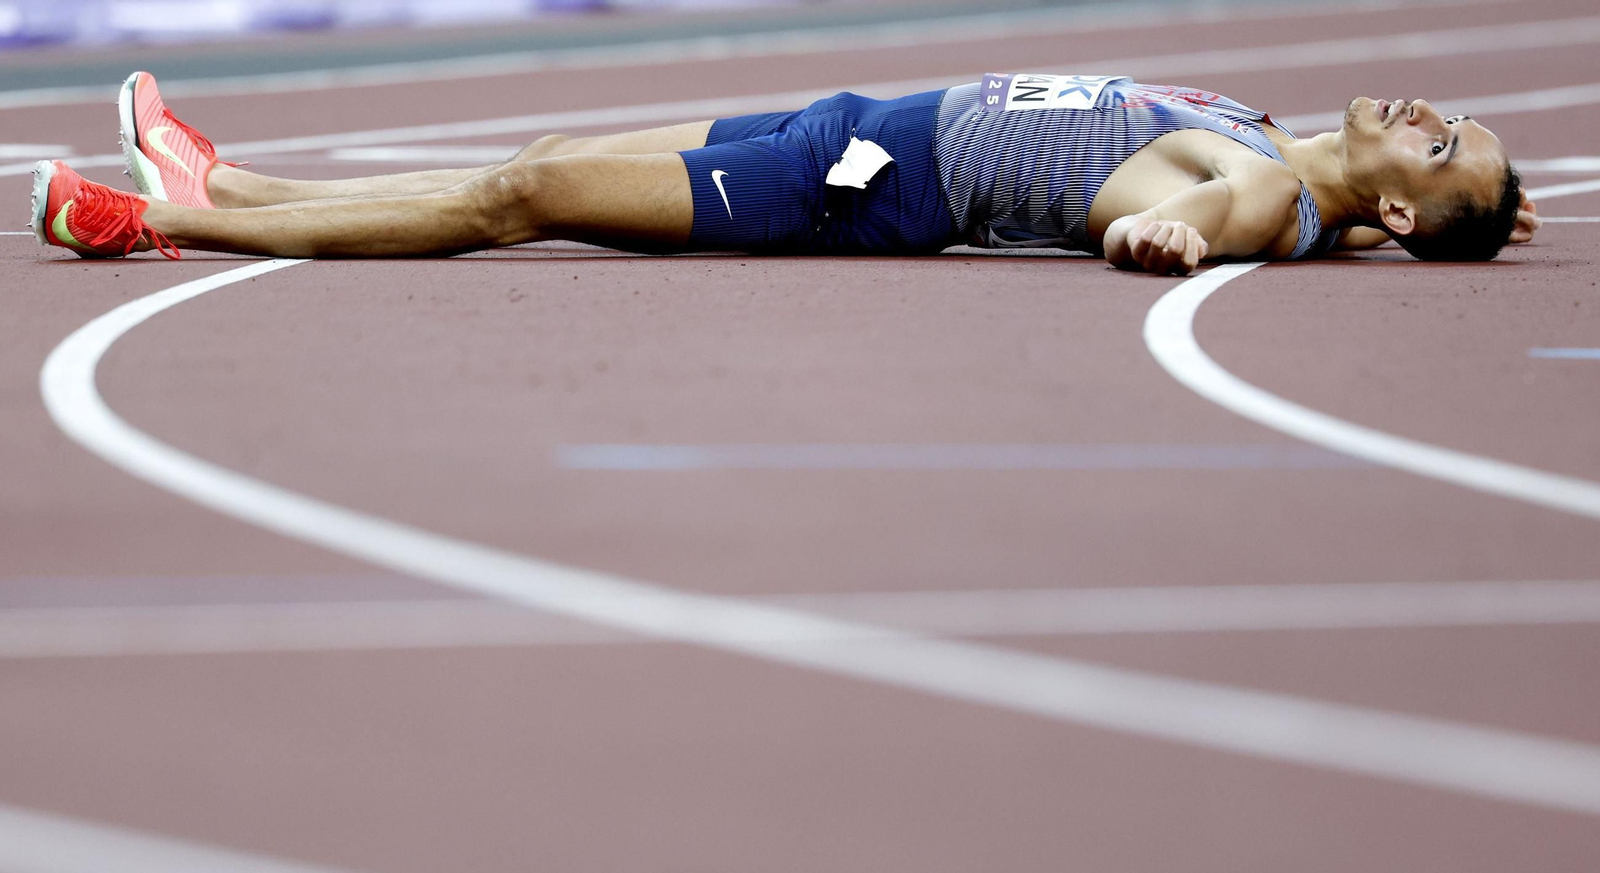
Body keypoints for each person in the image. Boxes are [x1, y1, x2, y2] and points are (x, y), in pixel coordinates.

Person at [31, 70, 1540, 274]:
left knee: (525, 199)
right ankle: (236, 189)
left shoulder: (1271, 192)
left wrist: (1174, 244)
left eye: (1444, 142)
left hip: (868, 184)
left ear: (1400, 200)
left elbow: (1183, 212)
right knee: (546, 153)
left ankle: (149, 222)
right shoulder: (1299, 167)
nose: (1433, 111)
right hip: (871, 123)